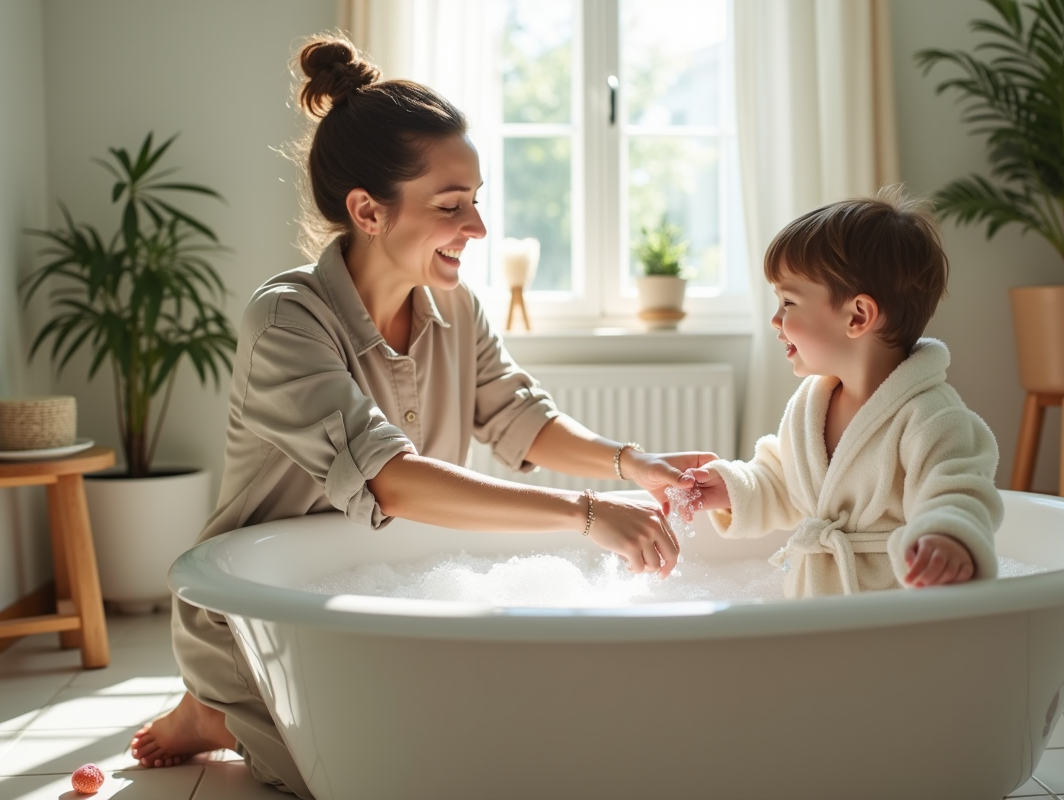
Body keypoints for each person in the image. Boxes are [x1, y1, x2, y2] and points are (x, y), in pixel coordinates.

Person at [129, 35, 712, 798]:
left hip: (388, 589)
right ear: (368, 210)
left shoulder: (455, 305)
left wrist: (632, 464)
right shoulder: (286, 322)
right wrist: (587, 512)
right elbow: (391, 481)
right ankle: (214, 707)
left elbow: (518, 418)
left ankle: (216, 712)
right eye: (451, 206)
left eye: (476, 200)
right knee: (360, 778)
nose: (477, 227)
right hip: (274, 623)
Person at [688, 186, 1003, 598]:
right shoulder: (810, 406)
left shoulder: (932, 418)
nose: (775, 319)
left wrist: (948, 539)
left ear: (857, 315)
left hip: (886, 612)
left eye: (788, 302)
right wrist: (733, 489)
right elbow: (783, 481)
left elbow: (958, 490)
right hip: (814, 603)